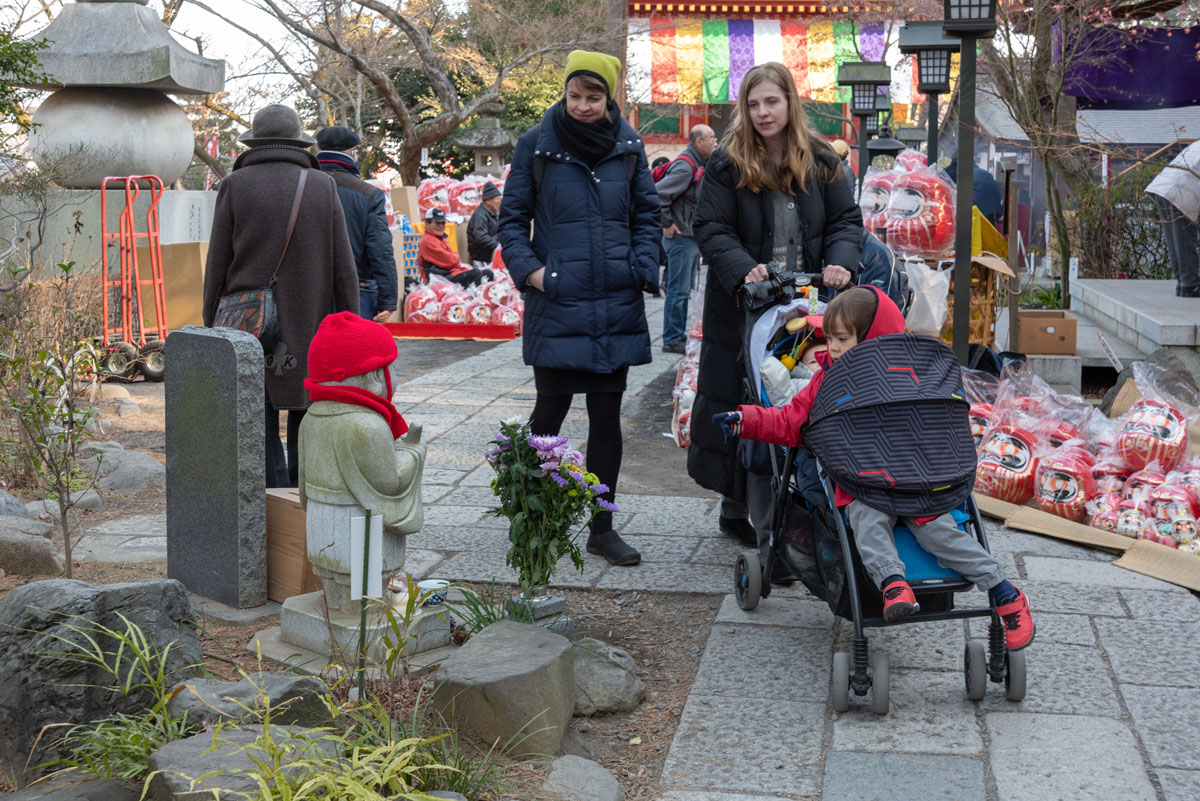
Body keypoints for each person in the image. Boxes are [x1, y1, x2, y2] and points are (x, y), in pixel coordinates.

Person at [712, 287, 1035, 651]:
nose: (832, 347)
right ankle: (893, 584)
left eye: (842, 339)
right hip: (864, 481)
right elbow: (789, 421)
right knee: (868, 522)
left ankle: (1004, 591)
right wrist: (747, 419)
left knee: (941, 532)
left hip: (917, 481)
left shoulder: (915, 374)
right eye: (828, 338)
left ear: (873, 338)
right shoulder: (826, 382)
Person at [690, 62, 864, 562]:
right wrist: (744, 269)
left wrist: (840, 263)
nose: (763, 112)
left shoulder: (825, 162)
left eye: (772, 101)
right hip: (747, 302)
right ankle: (734, 502)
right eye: (753, 103)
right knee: (744, 393)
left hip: (808, 303)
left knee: (796, 396)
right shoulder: (727, 164)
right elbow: (712, 227)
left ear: (790, 101)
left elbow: (845, 222)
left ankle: (796, 502)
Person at [498, 49, 661, 567]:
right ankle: (531, 512)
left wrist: (640, 264)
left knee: (607, 415)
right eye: (575, 96)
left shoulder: (629, 147)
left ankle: (602, 526)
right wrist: (533, 273)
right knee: (550, 411)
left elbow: (648, 216)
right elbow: (511, 221)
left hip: (615, 300)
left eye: (594, 97)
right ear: (563, 93)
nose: (584, 106)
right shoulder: (537, 145)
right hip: (558, 298)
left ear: (609, 97)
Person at [203, 104, 359, 488]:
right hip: (311, 321)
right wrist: (350, 323)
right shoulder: (322, 186)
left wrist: (211, 321)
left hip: (249, 322)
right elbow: (344, 266)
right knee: (307, 405)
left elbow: (217, 263)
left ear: (254, 142)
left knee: (260, 410)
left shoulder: (234, 185)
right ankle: (304, 497)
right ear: (298, 141)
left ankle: (268, 501)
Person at [315, 125, 397, 322]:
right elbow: (379, 248)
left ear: (319, 151)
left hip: (306, 288)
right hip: (354, 288)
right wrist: (388, 298)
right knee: (350, 348)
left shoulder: (301, 185)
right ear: (353, 153)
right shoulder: (368, 194)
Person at [657, 124, 717, 355]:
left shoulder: (696, 163)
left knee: (684, 289)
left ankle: (677, 335)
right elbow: (658, 194)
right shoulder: (685, 166)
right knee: (679, 290)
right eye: (711, 138)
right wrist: (667, 223)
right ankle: (672, 338)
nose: (715, 143)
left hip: (688, 236)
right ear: (697, 142)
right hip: (681, 237)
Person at [1145, 140, 1200, 297]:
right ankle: (1190, 284)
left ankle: (1183, 282)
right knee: (1184, 239)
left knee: (1175, 238)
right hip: (1180, 191)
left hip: (1163, 187)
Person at [419, 208, 494, 287]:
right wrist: (456, 257)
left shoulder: (439, 238)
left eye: (443, 223)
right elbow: (451, 261)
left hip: (451, 273)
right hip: (440, 279)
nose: (441, 226)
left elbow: (453, 260)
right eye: (437, 223)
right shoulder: (429, 241)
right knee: (475, 274)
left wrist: (455, 258)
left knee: (487, 273)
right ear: (427, 224)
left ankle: (487, 297)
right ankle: (474, 297)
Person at [946, 157, 1003, 227]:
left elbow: (960, 198)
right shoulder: (984, 173)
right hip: (996, 211)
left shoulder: (967, 175)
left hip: (980, 212)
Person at [467, 181, 503, 268]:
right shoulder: (480, 214)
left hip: (491, 250)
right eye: (497, 199)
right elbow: (481, 236)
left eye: (500, 200)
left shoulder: (494, 213)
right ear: (488, 200)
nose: (500, 202)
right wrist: (497, 246)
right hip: (481, 253)